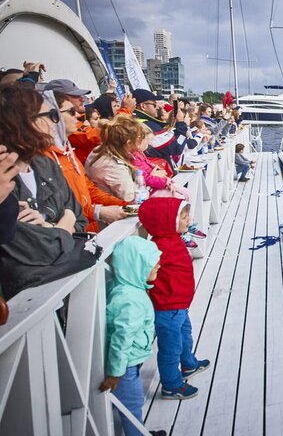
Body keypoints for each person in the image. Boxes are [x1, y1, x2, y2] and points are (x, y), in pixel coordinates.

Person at [0, 83, 87, 296]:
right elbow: (39, 249)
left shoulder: (45, 164)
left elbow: (81, 220)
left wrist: (51, 228)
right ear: (23, 123)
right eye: (51, 116)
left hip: (62, 294)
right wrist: (65, 225)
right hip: (23, 305)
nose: (54, 123)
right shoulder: (4, 179)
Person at [137, 197, 210, 400]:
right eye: (184, 217)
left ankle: (188, 364)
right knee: (171, 347)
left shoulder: (173, 238)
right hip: (167, 307)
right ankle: (171, 385)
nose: (189, 220)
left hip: (180, 304)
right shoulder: (158, 248)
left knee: (186, 335)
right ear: (166, 222)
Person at [99, 237, 163, 436]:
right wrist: (116, 372)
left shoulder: (126, 287)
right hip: (124, 366)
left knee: (129, 404)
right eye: (151, 264)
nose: (158, 265)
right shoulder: (130, 300)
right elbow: (122, 338)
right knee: (132, 405)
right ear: (134, 267)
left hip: (130, 360)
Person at [45, 90, 128, 232]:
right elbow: (58, 206)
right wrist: (97, 212)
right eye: (71, 111)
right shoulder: (43, 158)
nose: (77, 115)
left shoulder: (67, 153)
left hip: (87, 230)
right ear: (53, 116)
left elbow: (88, 189)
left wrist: (124, 203)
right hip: (70, 237)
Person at [86, 114, 149, 202]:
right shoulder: (113, 167)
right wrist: (148, 185)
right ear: (129, 143)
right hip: (115, 208)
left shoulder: (101, 150)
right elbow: (131, 197)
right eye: (139, 139)